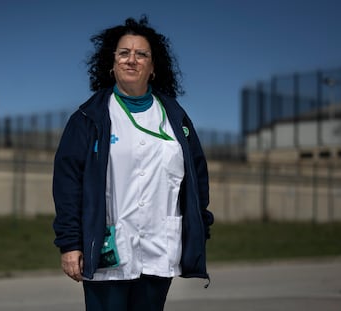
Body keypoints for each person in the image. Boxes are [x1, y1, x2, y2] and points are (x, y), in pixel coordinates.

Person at [52, 15, 214, 311]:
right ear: (111, 64)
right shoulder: (88, 119)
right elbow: (67, 185)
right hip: (108, 249)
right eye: (124, 53)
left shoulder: (175, 119)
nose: (132, 60)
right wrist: (70, 243)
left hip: (159, 246)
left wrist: (199, 227)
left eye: (142, 55)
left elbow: (197, 178)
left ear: (153, 68)